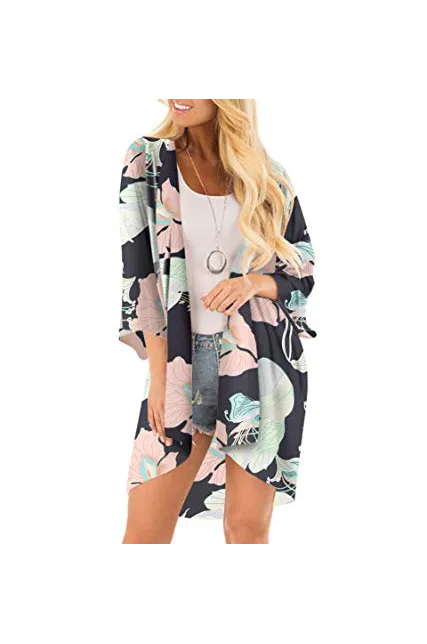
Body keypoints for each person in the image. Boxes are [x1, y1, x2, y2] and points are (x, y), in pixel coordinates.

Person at [118, 97, 316, 544]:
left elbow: (301, 271)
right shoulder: (146, 160)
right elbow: (139, 275)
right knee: (145, 534)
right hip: (180, 363)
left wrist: (252, 284)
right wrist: (159, 374)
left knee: (247, 530)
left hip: (257, 362)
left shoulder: (266, 176)